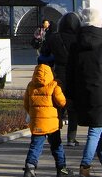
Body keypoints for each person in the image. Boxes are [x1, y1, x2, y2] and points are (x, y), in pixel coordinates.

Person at [67, 7, 102, 177]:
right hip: (100, 92)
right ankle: (85, 166)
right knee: (96, 130)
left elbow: (70, 72)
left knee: (99, 129)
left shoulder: (76, 44)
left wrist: (71, 95)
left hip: (84, 92)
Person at [40, 11, 81, 146]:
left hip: (58, 74)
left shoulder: (54, 38)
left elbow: (43, 54)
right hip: (75, 75)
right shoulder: (79, 38)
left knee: (57, 106)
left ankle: (55, 136)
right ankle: (71, 138)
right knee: (73, 107)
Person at [22, 62, 69, 177]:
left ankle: (29, 168)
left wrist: (33, 114)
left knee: (35, 146)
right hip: (52, 124)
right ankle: (61, 169)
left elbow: (26, 104)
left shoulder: (30, 85)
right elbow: (62, 102)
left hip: (37, 122)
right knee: (57, 146)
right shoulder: (54, 85)